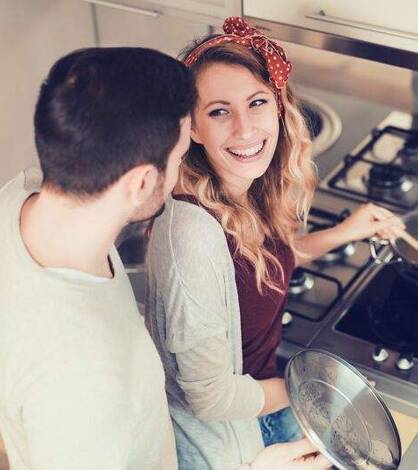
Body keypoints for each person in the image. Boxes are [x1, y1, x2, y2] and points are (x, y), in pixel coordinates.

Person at [0, 47, 330, 470]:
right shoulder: (83, 384)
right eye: (179, 157)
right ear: (141, 183)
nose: (182, 176)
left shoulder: (21, 197)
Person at [143, 17, 404, 470]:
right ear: (193, 128)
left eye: (257, 102)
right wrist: (319, 391)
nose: (245, 129)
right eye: (219, 111)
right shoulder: (191, 236)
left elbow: (263, 264)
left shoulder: (243, 190)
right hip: (232, 437)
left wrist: (345, 231)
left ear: (279, 106)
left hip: (267, 400)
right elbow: (211, 398)